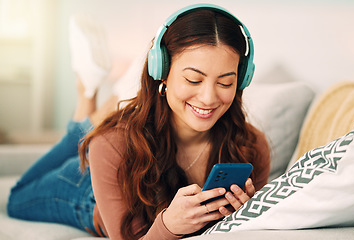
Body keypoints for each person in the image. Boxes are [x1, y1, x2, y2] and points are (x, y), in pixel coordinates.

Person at [8, 3, 271, 240]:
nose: (208, 97)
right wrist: (168, 225)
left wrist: (243, 218)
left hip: (117, 157)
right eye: (193, 79)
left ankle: (93, 112)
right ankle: (86, 100)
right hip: (89, 194)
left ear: (242, 80)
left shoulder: (251, 146)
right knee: (17, 197)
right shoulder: (111, 144)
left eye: (225, 82)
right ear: (162, 73)